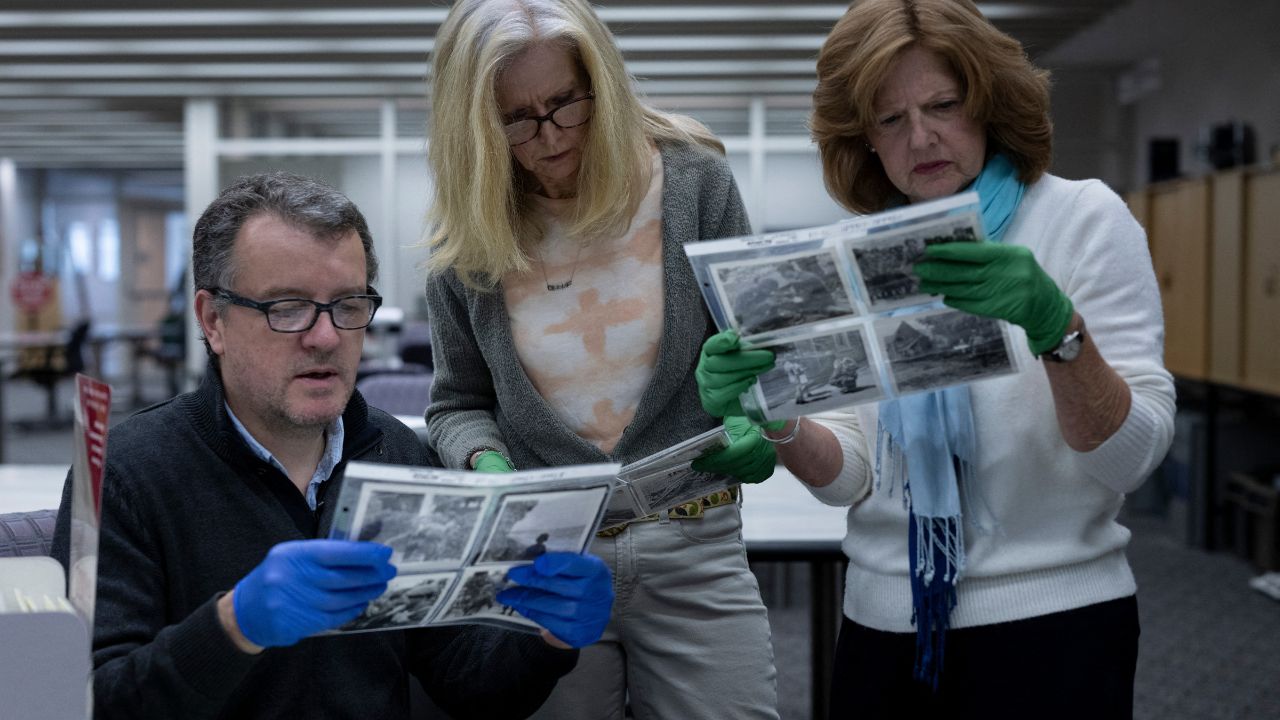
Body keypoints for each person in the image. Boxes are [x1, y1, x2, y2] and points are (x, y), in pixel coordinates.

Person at [695, 1, 1176, 717]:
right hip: (881, 626)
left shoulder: (1082, 218)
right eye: (890, 120)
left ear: (988, 105)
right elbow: (851, 479)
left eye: (943, 105)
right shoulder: (852, 253)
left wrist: (1058, 331)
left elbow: (1131, 460)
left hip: (1055, 622)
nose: (921, 137)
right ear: (864, 141)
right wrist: (776, 415)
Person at [50, 171, 614, 720]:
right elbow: (85, 701)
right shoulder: (122, 472)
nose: (325, 338)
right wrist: (231, 627)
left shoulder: (394, 454)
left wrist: (547, 639)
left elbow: (468, 688)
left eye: (347, 306)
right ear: (213, 320)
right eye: (286, 307)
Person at [423, 1, 780, 717]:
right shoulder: (471, 238)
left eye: (565, 104)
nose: (549, 136)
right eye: (516, 119)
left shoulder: (692, 184)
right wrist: (483, 463)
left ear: (602, 85)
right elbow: (457, 405)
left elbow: (762, 346)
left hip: (694, 543)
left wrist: (755, 422)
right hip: (549, 559)